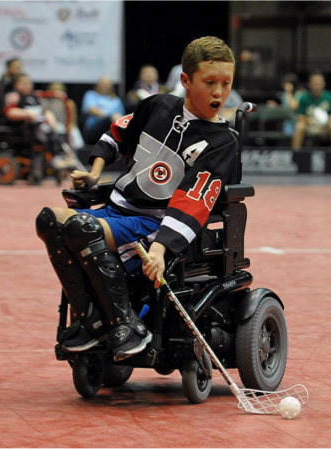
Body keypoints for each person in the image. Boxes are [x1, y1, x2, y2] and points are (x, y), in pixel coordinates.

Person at [35, 36, 238, 362]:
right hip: (116, 211)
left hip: (154, 224)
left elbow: (192, 203)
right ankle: (93, 319)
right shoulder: (158, 105)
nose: (219, 92)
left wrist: (159, 249)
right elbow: (118, 133)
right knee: (49, 219)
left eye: (226, 83)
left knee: (81, 228)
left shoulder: (221, 142)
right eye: (209, 82)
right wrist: (95, 174)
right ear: (185, 81)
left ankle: (126, 326)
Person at [4, 74, 74, 184]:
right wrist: (27, 113)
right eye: (23, 83)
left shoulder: (35, 97)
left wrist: (51, 120)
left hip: (41, 127)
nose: (27, 85)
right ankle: (54, 159)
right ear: (16, 85)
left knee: (54, 131)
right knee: (41, 133)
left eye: (28, 83)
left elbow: (45, 111)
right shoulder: (14, 96)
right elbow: (10, 112)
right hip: (22, 129)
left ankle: (57, 158)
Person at [292, 71, 331, 150]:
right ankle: (295, 154)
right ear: (309, 84)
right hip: (310, 125)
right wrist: (309, 121)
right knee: (299, 126)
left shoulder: (329, 96)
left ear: (323, 83)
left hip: (325, 126)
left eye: (319, 82)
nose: (316, 85)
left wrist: (326, 122)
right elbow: (300, 116)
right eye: (314, 82)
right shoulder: (304, 98)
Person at [81, 75, 126, 145]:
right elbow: (92, 110)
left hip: (112, 127)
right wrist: (110, 116)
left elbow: (121, 117)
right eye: (102, 84)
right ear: (97, 85)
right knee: (112, 119)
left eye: (107, 84)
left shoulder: (116, 99)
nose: (105, 86)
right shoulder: (91, 95)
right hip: (94, 128)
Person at [47, 82, 85, 151]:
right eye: (54, 90)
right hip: (52, 126)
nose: (57, 92)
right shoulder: (47, 102)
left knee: (74, 132)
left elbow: (73, 121)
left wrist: (68, 130)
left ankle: (74, 152)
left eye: (59, 90)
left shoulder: (69, 103)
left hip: (66, 127)